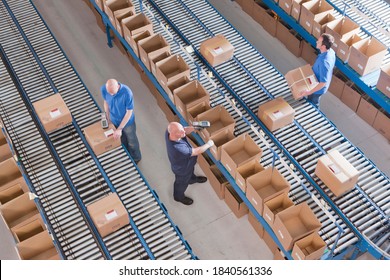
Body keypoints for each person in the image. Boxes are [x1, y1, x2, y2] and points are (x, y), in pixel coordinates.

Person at [165, 122, 215, 205]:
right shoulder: (178, 149)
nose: (183, 132)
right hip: (182, 170)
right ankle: (178, 197)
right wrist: (208, 144)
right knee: (181, 183)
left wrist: (196, 126)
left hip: (188, 163)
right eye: (180, 132)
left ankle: (192, 179)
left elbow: (185, 129)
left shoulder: (169, 132)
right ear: (173, 133)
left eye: (182, 129)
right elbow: (196, 151)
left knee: (190, 171)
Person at [101, 79, 141, 164]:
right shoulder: (104, 89)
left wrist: (120, 128)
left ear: (118, 86)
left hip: (127, 123)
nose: (111, 95)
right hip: (114, 120)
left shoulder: (127, 93)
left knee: (132, 141)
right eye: (109, 93)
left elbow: (129, 112)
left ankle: (136, 158)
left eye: (113, 93)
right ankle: (127, 155)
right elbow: (106, 102)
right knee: (122, 140)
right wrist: (107, 117)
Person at [300, 33, 336, 108]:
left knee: (313, 103)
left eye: (319, 42)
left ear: (323, 46)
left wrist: (309, 92)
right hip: (316, 80)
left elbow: (323, 83)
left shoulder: (324, 62)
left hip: (317, 89)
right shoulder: (330, 51)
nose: (316, 42)